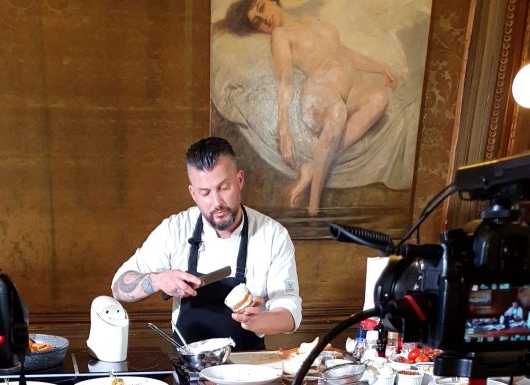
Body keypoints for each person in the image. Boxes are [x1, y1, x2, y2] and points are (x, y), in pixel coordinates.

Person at [111, 136, 301, 350]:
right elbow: (119, 287)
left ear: (239, 180)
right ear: (193, 193)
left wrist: (258, 320)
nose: (217, 202)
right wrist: (156, 280)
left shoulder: (273, 235)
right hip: (188, 368)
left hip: (249, 370)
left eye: (224, 188)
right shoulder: (175, 229)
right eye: (205, 193)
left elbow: (290, 313)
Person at [219, 0, 397, 214]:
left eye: (261, 7)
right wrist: (284, 131)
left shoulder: (312, 21)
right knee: (337, 114)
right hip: (319, 92)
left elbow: (344, 53)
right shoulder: (281, 35)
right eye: (257, 22)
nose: (264, 18)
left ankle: (313, 166)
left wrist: (381, 68)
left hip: (351, 90)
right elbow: (285, 79)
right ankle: (314, 207)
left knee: (379, 97)